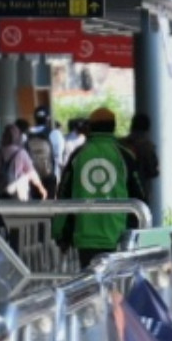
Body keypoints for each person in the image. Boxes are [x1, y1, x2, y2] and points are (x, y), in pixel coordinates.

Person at [58, 110, 134, 266]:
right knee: (118, 286)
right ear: (113, 127)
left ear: (91, 127)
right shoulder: (125, 156)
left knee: (91, 285)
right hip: (118, 236)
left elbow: (63, 194)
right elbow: (140, 195)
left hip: (86, 236)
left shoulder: (78, 155)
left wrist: (62, 234)